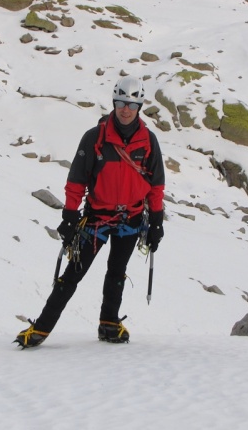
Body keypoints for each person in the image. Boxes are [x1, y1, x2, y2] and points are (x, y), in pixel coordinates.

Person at [15, 76, 165, 348]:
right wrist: (70, 215)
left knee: (117, 272)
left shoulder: (149, 142)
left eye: (131, 104)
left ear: (140, 105)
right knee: (73, 274)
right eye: (121, 102)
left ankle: (109, 324)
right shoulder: (95, 138)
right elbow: (76, 181)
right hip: (96, 219)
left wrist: (156, 221)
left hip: (131, 220)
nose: (125, 109)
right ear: (114, 102)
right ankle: (41, 328)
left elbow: (156, 185)